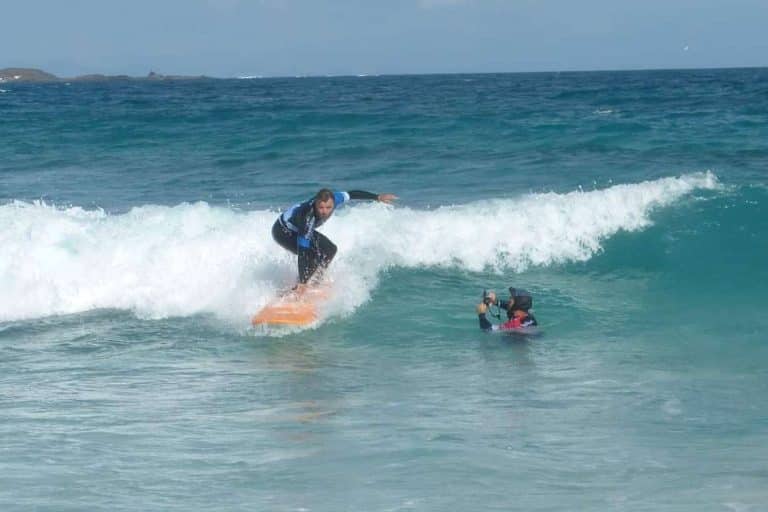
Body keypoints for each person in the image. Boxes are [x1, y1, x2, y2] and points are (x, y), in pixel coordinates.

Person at [272, 188, 397, 285]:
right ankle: (299, 286)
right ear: (315, 204)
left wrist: (377, 197)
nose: (325, 211)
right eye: (321, 207)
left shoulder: (336, 198)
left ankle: (316, 280)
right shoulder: (307, 217)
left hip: (297, 229)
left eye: (328, 207)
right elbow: (303, 252)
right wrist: (303, 282)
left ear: (334, 203)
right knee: (311, 255)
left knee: (330, 249)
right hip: (283, 232)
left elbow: (352, 194)